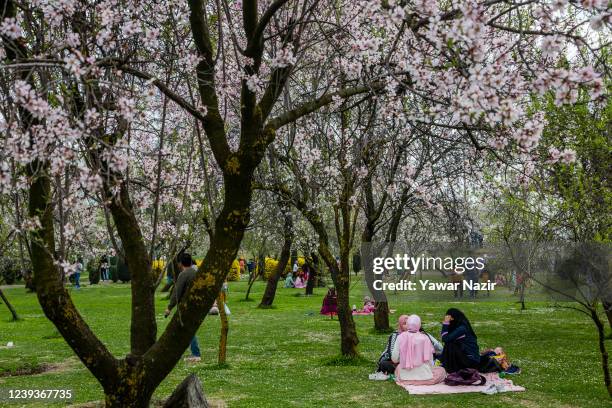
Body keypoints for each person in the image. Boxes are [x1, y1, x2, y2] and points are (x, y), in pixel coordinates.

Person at [164, 253, 201, 362]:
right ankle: (177, 352)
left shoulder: (184, 275)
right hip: (196, 305)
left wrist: (169, 307)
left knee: (188, 330)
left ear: (180, 263)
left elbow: (177, 292)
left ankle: (196, 354)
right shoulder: (196, 273)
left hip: (186, 307)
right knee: (183, 329)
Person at [441, 308, 500, 373]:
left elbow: (445, 338)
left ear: (454, 318)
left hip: (471, 361)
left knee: (450, 344)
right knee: (451, 343)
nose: (449, 320)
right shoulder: (460, 326)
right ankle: (447, 365)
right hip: (470, 359)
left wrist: (446, 323)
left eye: (450, 318)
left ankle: (449, 367)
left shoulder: (462, 328)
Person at [392, 315, 446, 385]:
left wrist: (405, 360)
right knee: (442, 371)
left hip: (405, 376)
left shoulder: (400, 337)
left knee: (398, 368)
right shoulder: (425, 338)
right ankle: (421, 381)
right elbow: (430, 362)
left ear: (407, 325)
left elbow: (394, 359)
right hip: (424, 376)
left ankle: (410, 380)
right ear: (419, 325)